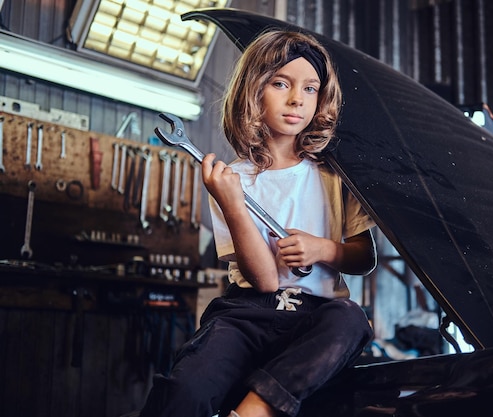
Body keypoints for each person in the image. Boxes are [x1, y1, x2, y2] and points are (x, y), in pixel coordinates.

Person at [139, 29, 377, 417]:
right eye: (281, 83)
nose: (297, 99)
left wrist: (324, 249)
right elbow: (265, 281)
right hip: (245, 314)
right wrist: (233, 206)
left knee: (351, 319)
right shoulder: (232, 180)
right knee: (185, 388)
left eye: (311, 89)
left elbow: (364, 258)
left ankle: (254, 410)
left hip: (315, 317)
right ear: (253, 91)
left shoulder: (337, 178)